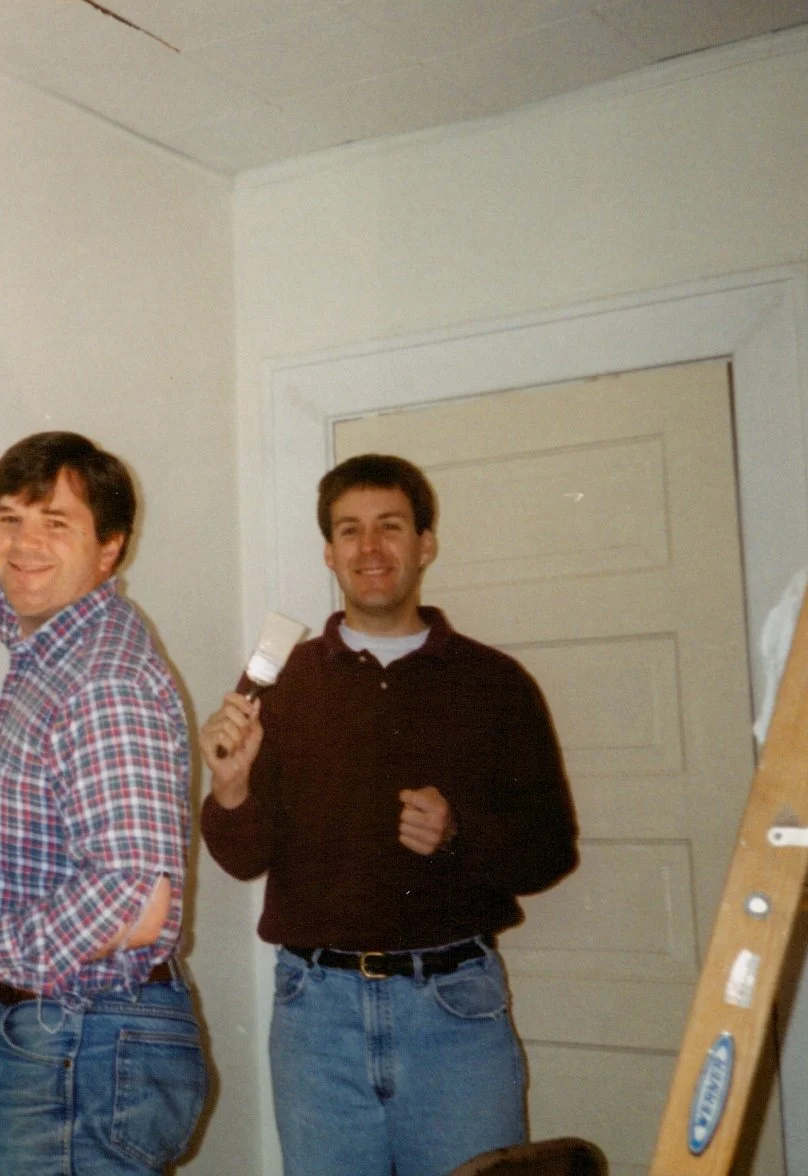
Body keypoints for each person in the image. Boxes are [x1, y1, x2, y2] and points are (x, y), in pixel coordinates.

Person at [200, 453, 578, 1176]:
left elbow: (552, 850)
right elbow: (244, 857)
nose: (369, 549)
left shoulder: (495, 684)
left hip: (455, 1011)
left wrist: (459, 833)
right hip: (316, 1016)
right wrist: (230, 789)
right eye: (349, 531)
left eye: (390, 527)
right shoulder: (281, 689)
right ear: (329, 553)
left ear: (425, 544)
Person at [0, 430, 207, 1176]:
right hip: (76, 1037)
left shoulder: (101, 680)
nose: (25, 546)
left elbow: (127, 893)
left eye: (57, 525)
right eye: (10, 519)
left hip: (82, 1043)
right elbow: (4, 571)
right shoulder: (54, 632)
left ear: (109, 549)